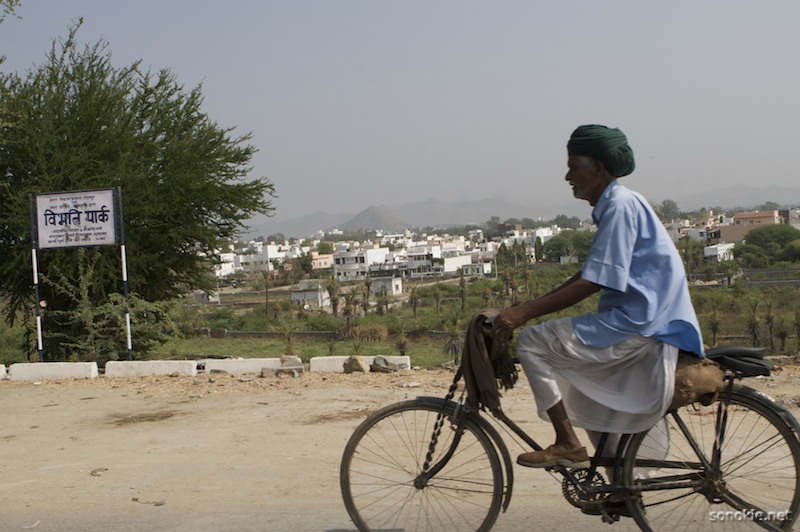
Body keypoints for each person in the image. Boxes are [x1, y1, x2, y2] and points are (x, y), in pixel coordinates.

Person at [492, 124, 704, 469]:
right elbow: (590, 273)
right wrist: (527, 307)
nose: (567, 176)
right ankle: (621, 483)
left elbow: (593, 281)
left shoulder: (619, 206)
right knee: (588, 392)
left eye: (573, 166)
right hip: (644, 319)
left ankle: (566, 443)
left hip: (642, 323)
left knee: (531, 341)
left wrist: (525, 316)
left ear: (598, 169)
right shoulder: (618, 204)